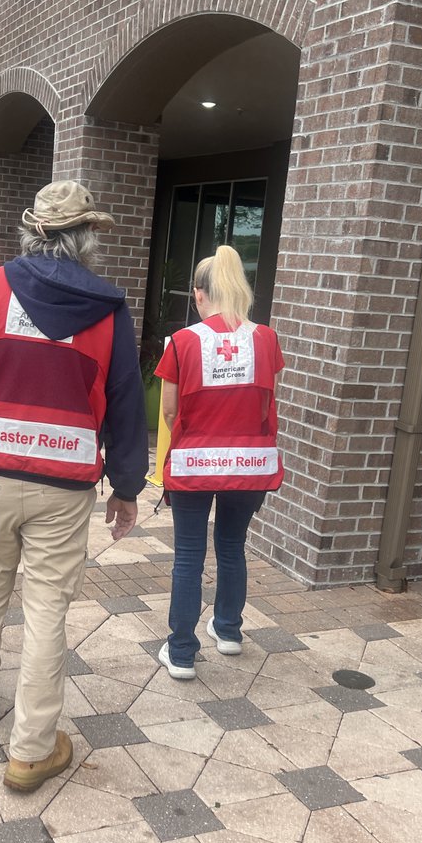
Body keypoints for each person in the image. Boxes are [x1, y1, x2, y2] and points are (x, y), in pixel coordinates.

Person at [0, 180, 148, 791]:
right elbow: (126, 404)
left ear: (32, 233)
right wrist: (127, 487)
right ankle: (31, 750)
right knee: (48, 609)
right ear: (88, 237)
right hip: (64, 486)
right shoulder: (109, 310)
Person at [153, 244, 285, 680]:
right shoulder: (266, 339)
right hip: (249, 465)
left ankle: (181, 653)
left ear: (199, 294)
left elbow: (169, 411)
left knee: (189, 556)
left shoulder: (183, 342)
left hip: (195, 463)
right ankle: (228, 630)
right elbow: (265, 400)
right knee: (231, 546)